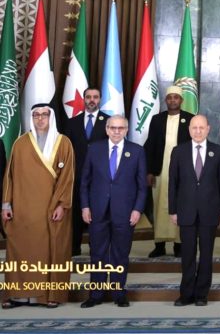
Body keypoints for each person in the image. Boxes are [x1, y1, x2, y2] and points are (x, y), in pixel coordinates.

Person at [1, 104, 75, 309]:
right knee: (20, 251)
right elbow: (9, 177)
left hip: (50, 210)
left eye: (44, 115)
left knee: (50, 252)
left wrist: (62, 205)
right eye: (36, 115)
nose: (40, 119)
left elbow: (67, 178)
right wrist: (6, 204)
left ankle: (49, 296)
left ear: (51, 117)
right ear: (31, 118)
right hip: (23, 210)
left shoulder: (63, 143)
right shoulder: (20, 143)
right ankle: (17, 296)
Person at [79, 115, 147, 308]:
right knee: (97, 254)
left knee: (120, 254)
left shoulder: (137, 151)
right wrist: (85, 206)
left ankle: (119, 293)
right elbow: (84, 182)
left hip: (125, 212)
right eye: (113, 128)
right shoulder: (94, 149)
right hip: (97, 211)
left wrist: (137, 209)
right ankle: (96, 295)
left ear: (126, 130)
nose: (117, 131)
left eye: (121, 128)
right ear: (107, 129)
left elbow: (142, 186)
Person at [168, 114, 220, 306]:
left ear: (208, 129)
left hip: (210, 211)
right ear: (189, 130)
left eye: (201, 127)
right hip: (185, 211)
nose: (198, 131)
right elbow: (173, 183)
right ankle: (186, 294)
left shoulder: (218, 152)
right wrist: (173, 210)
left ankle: (202, 294)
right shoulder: (178, 151)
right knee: (187, 254)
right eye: (194, 127)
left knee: (206, 254)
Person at [144, 86, 193, 258]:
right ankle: (159, 245)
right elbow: (150, 146)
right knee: (159, 205)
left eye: (176, 97)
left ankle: (179, 245)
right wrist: (149, 171)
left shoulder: (190, 119)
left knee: (181, 205)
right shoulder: (157, 119)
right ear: (166, 100)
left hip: (183, 171)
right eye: (170, 97)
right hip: (160, 170)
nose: (173, 100)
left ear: (181, 100)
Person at [64, 87, 109, 256]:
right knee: (76, 212)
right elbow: (66, 149)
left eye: (95, 97)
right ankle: (74, 247)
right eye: (88, 97)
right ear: (84, 99)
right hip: (76, 175)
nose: (92, 100)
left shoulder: (109, 121)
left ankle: (95, 247)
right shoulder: (72, 122)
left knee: (98, 213)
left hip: (100, 176)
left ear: (100, 99)